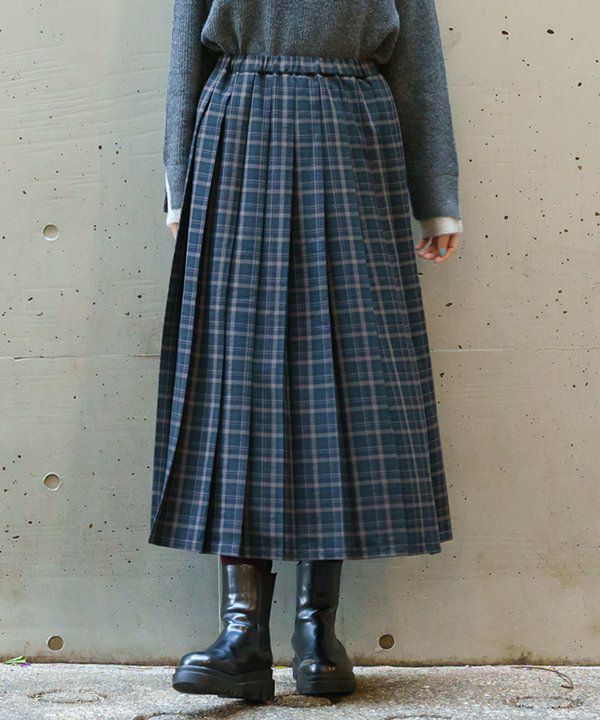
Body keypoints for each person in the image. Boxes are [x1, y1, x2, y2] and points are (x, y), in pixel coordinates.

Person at [148, 0, 463, 702]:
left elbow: (416, 57)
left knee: (344, 377)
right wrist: (179, 179)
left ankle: (318, 634)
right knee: (238, 382)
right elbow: (186, 46)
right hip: (239, 127)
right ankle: (242, 635)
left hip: (352, 133)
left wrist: (437, 193)